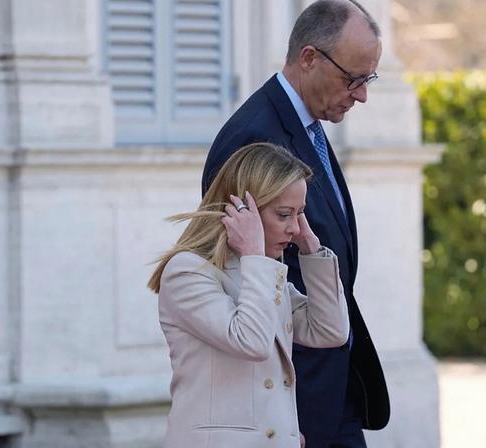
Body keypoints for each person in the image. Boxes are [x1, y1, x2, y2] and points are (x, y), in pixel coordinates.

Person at [201, 1, 390, 447]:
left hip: (330, 380)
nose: (361, 94)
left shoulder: (307, 119)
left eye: (369, 79)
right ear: (309, 58)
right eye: (353, 79)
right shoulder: (255, 136)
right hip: (291, 399)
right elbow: (237, 278)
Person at [149, 143, 350, 448]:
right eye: (284, 214)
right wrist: (254, 253)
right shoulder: (187, 272)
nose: (294, 228)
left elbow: (331, 330)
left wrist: (312, 249)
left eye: (300, 214)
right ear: (244, 210)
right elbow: (252, 341)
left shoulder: (262, 274)